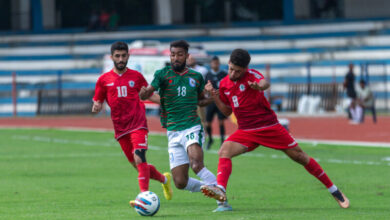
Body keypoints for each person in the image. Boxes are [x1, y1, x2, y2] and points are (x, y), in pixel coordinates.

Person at [200, 49, 349, 211]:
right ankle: (221, 196)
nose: (233, 73)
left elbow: (265, 83)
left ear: (245, 69)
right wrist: (214, 96)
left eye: (238, 71)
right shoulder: (223, 84)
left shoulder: (252, 76)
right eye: (231, 69)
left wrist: (258, 86)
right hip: (246, 131)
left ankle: (334, 190)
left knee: (299, 157)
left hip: (268, 127)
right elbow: (227, 112)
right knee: (224, 151)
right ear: (228, 64)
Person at [139, 40, 232, 212]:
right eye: (173, 54)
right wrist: (144, 92)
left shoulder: (196, 77)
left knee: (196, 164)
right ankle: (209, 187)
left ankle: (222, 201)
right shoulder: (162, 74)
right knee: (180, 182)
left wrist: (213, 97)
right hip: (173, 131)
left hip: (191, 126)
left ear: (187, 56)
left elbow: (200, 101)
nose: (175, 58)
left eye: (179, 54)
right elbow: (149, 91)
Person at [92, 41, 172, 207]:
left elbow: (149, 95)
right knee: (138, 165)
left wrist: (168, 103)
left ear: (128, 56)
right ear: (112, 57)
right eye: (117, 56)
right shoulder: (103, 80)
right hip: (120, 129)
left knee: (140, 156)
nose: (121, 59)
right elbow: (97, 100)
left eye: (123, 56)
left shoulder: (136, 77)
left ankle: (144, 197)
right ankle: (164, 179)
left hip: (138, 124)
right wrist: (97, 105)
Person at [204, 56, 228, 150]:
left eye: (217, 63)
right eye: (213, 63)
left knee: (221, 122)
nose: (215, 64)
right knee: (208, 123)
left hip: (220, 101)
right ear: (211, 64)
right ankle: (210, 139)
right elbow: (205, 88)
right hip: (211, 102)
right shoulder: (207, 75)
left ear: (219, 63)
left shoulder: (223, 74)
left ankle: (222, 142)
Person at [187, 55, 209, 131]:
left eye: (191, 59)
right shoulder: (186, 70)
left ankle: (203, 134)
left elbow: (207, 82)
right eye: (189, 60)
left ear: (195, 60)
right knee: (191, 117)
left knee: (202, 117)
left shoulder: (202, 70)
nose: (190, 61)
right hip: (190, 97)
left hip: (201, 96)